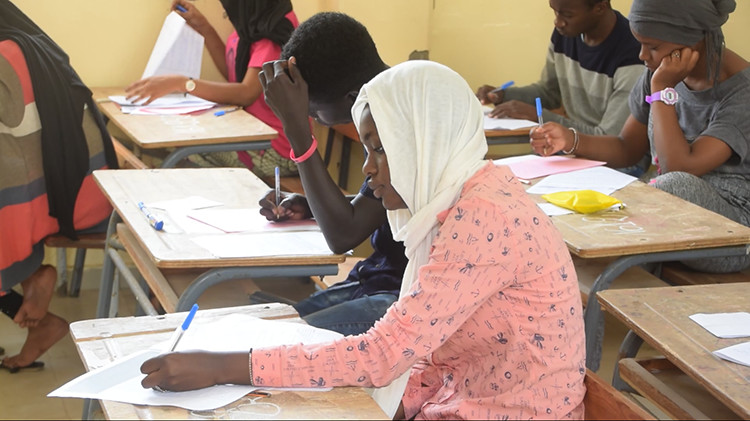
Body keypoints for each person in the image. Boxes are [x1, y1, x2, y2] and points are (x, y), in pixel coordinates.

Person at [139, 60, 587, 420]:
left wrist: (221, 367)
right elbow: (423, 358)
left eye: (380, 149)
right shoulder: (453, 198)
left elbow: (383, 355)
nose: (368, 168)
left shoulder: (483, 217)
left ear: (423, 143)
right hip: (458, 395)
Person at [531, 0, 749, 273]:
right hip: (665, 213)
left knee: (673, 186)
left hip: (731, 232)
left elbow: (679, 168)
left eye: (653, 47)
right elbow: (627, 148)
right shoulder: (657, 72)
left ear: (691, 41)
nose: (643, 55)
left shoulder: (742, 92)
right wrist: (571, 140)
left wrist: (662, 90)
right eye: (640, 43)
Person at [257, 13, 407, 336]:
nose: (312, 117)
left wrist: (297, 131)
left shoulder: (402, 118)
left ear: (351, 99)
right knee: (273, 325)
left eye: (312, 111)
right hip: (379, 277)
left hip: (406, 299)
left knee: (285, 340)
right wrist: (312, 205)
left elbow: (342, 236)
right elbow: (382, 205)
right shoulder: (389, 97)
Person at [0, 0, 117, 371]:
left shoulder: (5, 52)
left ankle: (32, 299)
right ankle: (32, 292)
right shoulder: (28, 39)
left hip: (65, 193)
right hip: (74, 183)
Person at [125, 0, 298, 179]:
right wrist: (203, 27)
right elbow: (232, 73)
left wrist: (183, 83)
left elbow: (246, 93)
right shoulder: (253, 23)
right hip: (251, 135)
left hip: (275, 150)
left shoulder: (275, 32)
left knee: (181, 156)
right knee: (165, 150)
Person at [477, 0, 644, 172]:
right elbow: (549, 92)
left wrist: (539, 116)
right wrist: (505, 95)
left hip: (617, 161)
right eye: (555, 12)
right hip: (571, 147)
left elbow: (613, 141)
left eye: (567, 15)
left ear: (600, 7)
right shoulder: (566, 33)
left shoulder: (634, 54)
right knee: (506, 179)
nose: (558, 22)